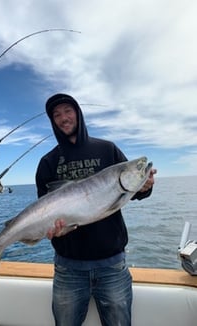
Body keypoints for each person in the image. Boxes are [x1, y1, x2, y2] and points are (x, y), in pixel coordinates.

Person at [35, 93, 156, 326]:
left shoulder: (108, 150)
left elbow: (135, 189)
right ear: (53, 121)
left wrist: (145, 186)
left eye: (68, 111)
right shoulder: (48, 162)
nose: (63, 118)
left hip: (112, 266)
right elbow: (44, 210)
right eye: (57, 115)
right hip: (68, 268)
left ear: (78, 114)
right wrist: (53, 228)